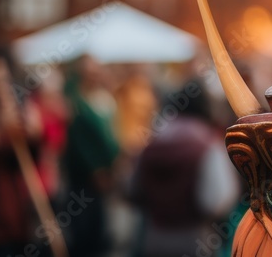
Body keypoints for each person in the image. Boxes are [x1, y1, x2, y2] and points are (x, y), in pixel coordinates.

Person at [130, 81, 240, 257]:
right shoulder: (208, 143)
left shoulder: (153, 140)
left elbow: (132, 189)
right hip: (195, 238)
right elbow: (218, 201)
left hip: (154, 237)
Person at [62, 54, 121, 257]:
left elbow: (109, 135)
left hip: (102, 176)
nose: (95, 76)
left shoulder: (99, 99)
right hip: (83, 178)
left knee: (99, 228)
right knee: (83, 230)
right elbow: (78, 141)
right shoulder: (74, 100)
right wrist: (96, 169)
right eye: (90, 72)